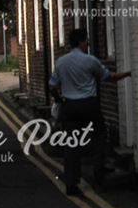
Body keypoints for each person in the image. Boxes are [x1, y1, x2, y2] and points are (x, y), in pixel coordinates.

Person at [49, 28, 131, 196]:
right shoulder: (90, 61)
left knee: (71, 146)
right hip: (89, 105)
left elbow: (52, 86)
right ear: (80, 42)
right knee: (99, 136)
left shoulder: (61, 62)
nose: (87, 44)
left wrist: (59, 99)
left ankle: (71, 183)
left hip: (70, 106)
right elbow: (109, 77)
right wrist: (128, 74)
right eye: (86, 41)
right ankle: (98, 170)